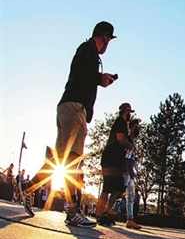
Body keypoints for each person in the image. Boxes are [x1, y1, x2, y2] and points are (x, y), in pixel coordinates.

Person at [19, 21, 118, 227]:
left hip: (69, 107)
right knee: (72, 159)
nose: (108, 46)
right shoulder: (87, 50)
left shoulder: (88, 51)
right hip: (74, 108)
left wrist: (99, 79)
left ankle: (27, 187)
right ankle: (72, 211)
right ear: (105, 37)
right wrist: (99, 78)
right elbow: (80, 73)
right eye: (109, 41)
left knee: (60, 160)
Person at [96, 103, 135, 226]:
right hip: (110, 159)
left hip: (115, 161)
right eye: (129, 112)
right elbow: (120, 137)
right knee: (107, 187)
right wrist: (129, 145)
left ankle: (106, 213)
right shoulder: (120, 122)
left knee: (118, 188)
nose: (130, 115)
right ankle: (100, 214)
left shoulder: (122, 124)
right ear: (126, 111)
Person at [124, 119, 142, 230]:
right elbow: (125, 156)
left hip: (130, 172)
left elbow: (131, 158)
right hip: (126, 171)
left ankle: (130, 219)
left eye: (138, 128)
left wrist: (138, 157)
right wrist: (125, 169)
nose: (136, 130)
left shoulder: (133, 142)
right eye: (135, 127)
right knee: (117, 192)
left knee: (130, 196)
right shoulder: (127, 140)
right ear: (130, 128)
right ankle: (103, 212)